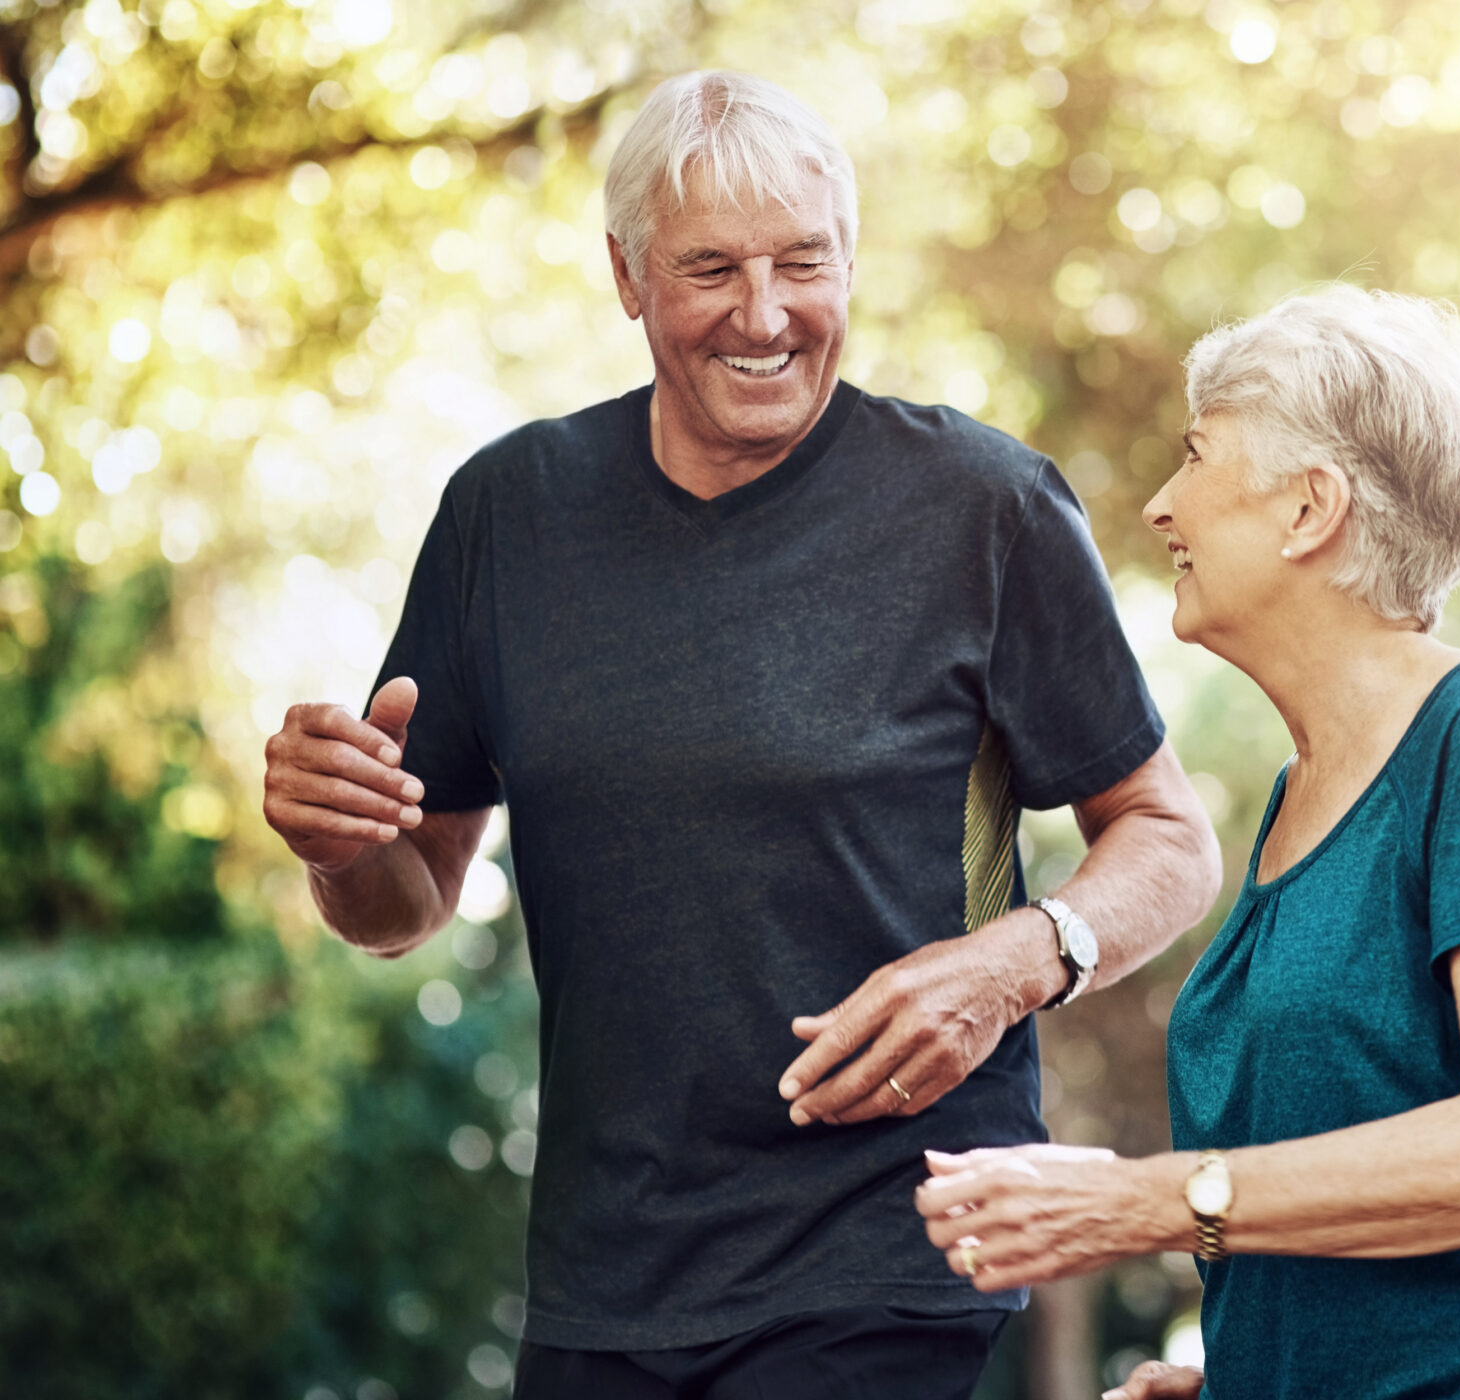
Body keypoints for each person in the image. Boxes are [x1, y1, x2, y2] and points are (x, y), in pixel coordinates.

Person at [257, 71, 1222, 1399]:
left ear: (850, 261)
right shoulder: (508, 515)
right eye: (710, 269)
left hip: (893, 1255)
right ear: (626, 274)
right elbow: (401, 901)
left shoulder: (982, 510)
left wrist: (1018, 959)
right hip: (607, 1282)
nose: (764, 316)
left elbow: (1168, 837)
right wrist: (334, 842)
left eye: (801, 265)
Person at [912, 287, 1460, 1398]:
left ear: (1309, 508)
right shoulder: (1295, 795)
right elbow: (1349, 1172)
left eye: (1196, 455)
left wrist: (1139, 1199)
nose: (1164, 505)